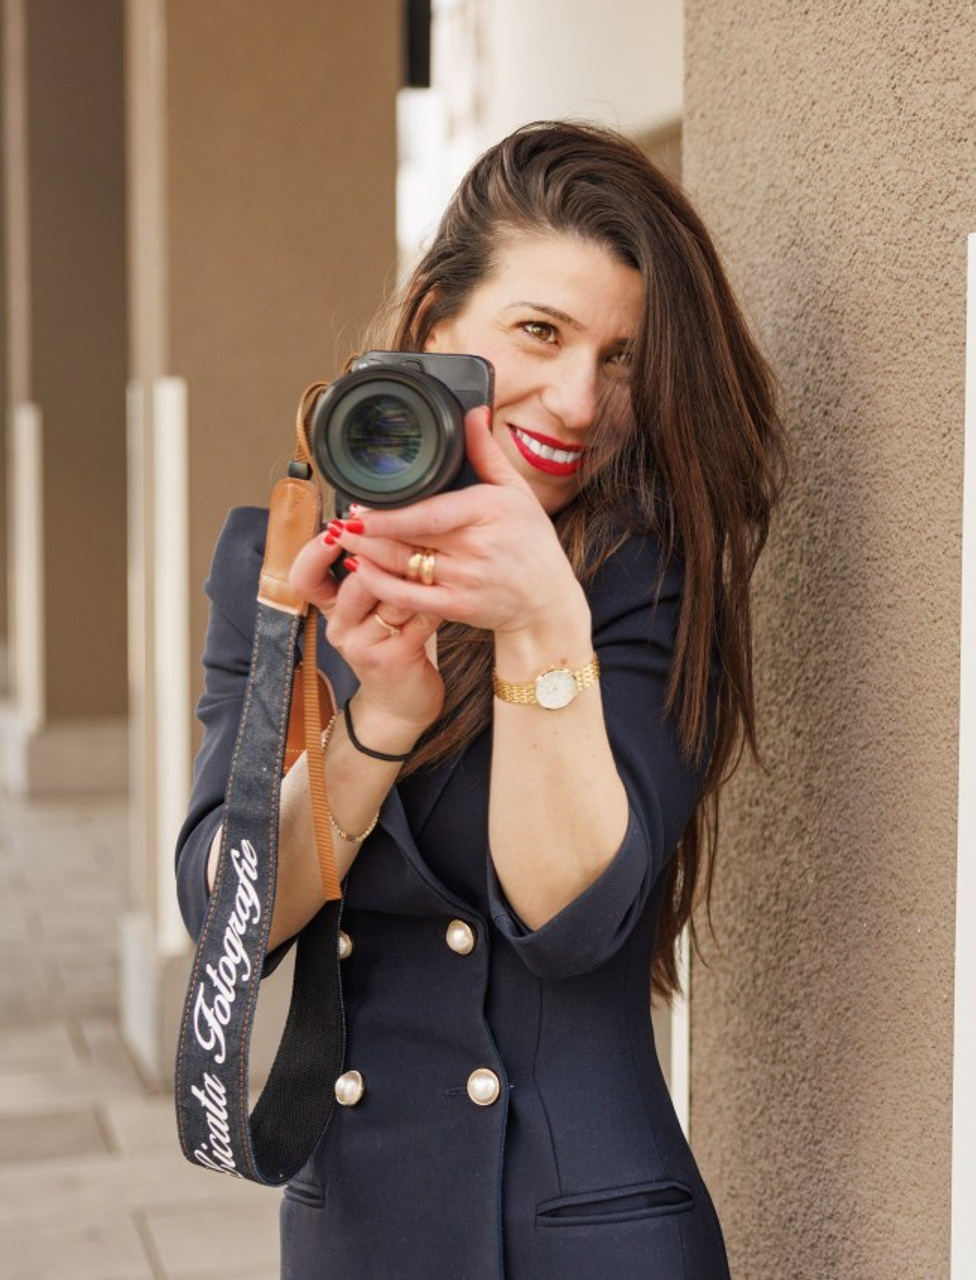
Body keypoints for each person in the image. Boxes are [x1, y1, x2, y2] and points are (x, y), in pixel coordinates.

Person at [176, 120, 785, 1279]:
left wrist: (536, 613)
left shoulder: (645, 578)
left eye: (620, 359)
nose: (573, 398)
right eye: (539, 331)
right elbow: (225, 916)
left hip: (587, 1229)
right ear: (434, 329)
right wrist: (381, 721)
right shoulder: (282, 557)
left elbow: (570, 914)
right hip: (356, 1228)